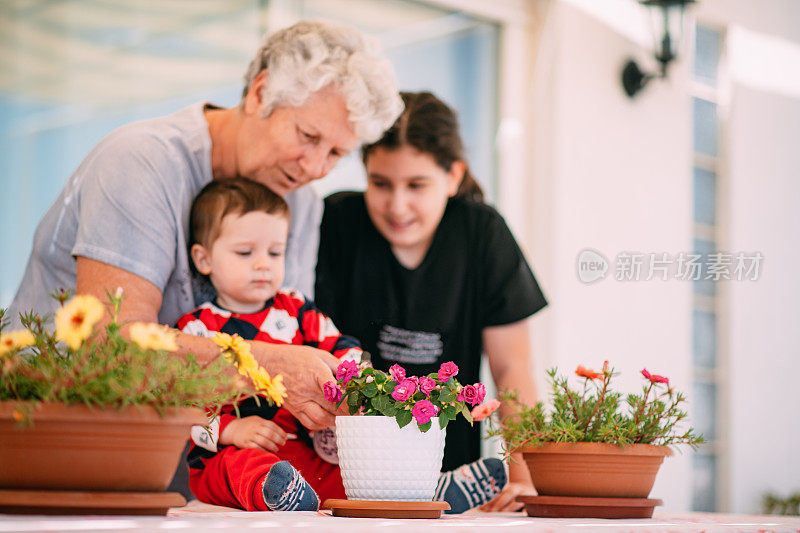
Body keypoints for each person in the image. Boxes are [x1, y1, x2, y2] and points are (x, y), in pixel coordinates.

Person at [6, 20, 403, 432]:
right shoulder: (141, 163)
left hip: (194, 466)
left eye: (336, 152)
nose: (315, 167)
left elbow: (291, 330)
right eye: (308, 135)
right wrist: (270, 364)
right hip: (61, 437)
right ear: (260, 93)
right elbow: (112, 350)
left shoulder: (298, 200)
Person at [178, 178, 507, 513]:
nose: (263, 263)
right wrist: (231, 429)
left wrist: (363, 381)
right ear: (203, 259)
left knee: (355, 473)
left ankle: (431, 490)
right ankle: (274, 490)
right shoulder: (196, 329)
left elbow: (339, 346)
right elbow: (177, 400)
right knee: (238, 467)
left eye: (275, 252)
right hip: (231, 450)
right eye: (245, 252)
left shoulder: (296, 309)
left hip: (306, 453)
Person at [315, 91, 548, 512]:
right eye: (380, 183)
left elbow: (513, 368)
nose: (397, 205)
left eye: (416, 185)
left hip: (450, 487)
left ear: (453, 176)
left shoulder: (483, 233)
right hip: (343, 480)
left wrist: (524, 479)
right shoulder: (337, 223)